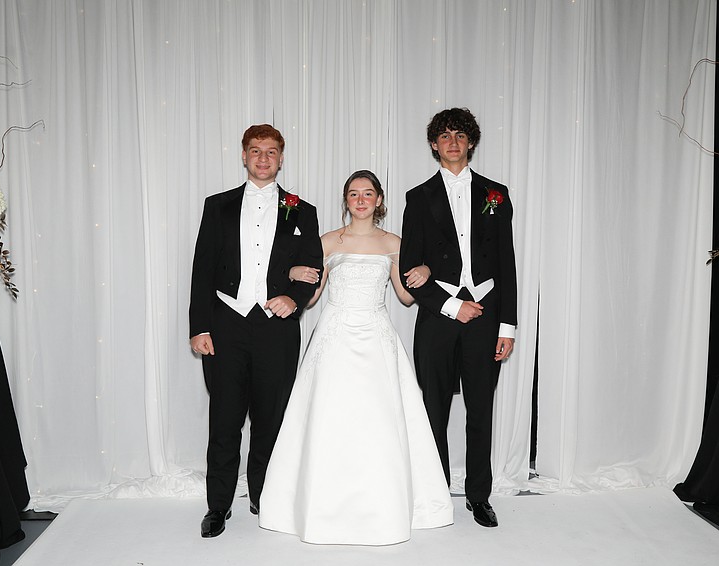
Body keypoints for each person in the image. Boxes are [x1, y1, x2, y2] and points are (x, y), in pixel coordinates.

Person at [258, 170, 454, 545]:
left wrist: (424, 269)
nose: (360, 199)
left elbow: (406, 297)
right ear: (345, 200)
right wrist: (293, 273)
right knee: (328, 415)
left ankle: (382, 505)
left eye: (368, 193)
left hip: (377, 337)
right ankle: (319, 505)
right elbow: (312, 297)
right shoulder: (328, 241)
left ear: (379, 200)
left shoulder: (395, 242)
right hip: (334, 337)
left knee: (378, 419)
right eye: (353, 194)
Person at [189, 124, 323, 538]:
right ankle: (217, 506)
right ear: (244, 156)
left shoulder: (304, 210)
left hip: (276, 329)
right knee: (225, 419)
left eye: (271, 152)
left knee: (271, 418)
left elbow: (313, 269)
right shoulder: (218, 206)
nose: (263, 159)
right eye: (255, 151)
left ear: (282, 158)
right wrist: (199, 327)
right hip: (226, 325)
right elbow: (202, 269)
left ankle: (263, 495)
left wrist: (294, 298)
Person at [399, 108, 517, 528]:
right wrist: (451, 305)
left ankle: (479, 496)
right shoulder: (417, 197)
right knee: (434, 409)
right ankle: (435, 493)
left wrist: (507, 326)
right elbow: (410, 271)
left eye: (460, 135)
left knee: (480, 409)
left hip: (486, 316)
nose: (452, 141)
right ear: (434, 144)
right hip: (438, 317)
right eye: (445, 135)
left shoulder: (496, 194)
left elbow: (506, 263)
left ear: (471, 143)